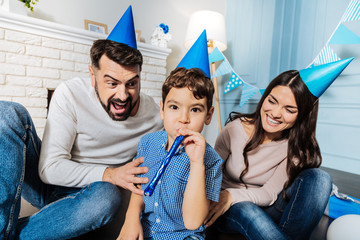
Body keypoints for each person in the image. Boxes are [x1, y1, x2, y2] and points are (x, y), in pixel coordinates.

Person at [0, 6, 163, 240]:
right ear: (92, 75)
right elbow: (49, 170)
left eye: (131, 83)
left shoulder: (154, 115)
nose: (123, 95)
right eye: (112, 83)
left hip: (94, 194)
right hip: (49, 185)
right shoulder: (71, 94)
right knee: (6, 113)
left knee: (107, 197)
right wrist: (110, 173)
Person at [204, 58, 353, 240]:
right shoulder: (235, 130)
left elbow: (268, 194)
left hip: (266, 204)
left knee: (321, 178)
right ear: (264, 97)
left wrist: (232, 194)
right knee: (247, 210)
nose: (275, 113)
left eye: (289, 109)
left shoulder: (296, 147)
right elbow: (209, 175)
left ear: (301, 116)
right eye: (272, 101)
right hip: (226, 208)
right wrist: (223, 198)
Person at [118, 30, 223, 240]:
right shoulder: (148, 143)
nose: (183, 118)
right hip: (146, 230)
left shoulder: (210, 161)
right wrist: (131, 217)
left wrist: (196, 164)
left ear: (208, 115)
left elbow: (193, 222)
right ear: (162, 110)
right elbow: (139, 185)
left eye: (195, 110)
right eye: (174, 107)